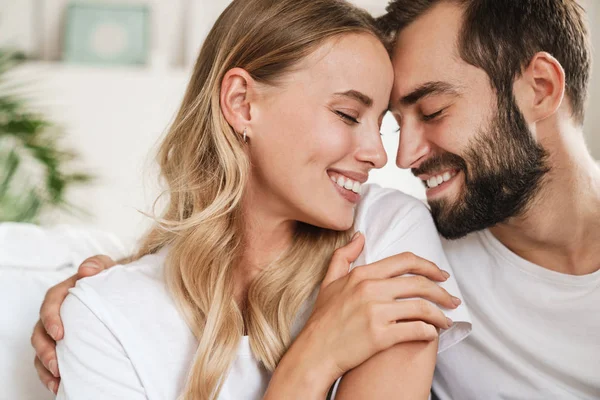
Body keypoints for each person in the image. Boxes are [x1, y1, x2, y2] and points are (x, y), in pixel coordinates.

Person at [30, 0, 471, 399]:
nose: (377, 154)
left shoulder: (386, 229)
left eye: (380, 123)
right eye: (348, 114)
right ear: (242, 104)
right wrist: (311, 361)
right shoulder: (104, 318)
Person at [377, 0, 600, 398]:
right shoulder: (415, 266)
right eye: (396, 124)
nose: (404, 156)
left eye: (432, 111)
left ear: (540, 89)